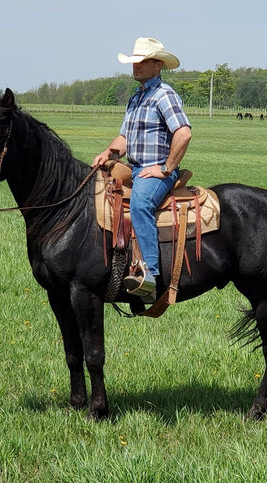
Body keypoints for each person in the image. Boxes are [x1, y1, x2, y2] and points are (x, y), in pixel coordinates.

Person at [92, 37, 192, 301]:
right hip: (134, 168)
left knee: (140, 203)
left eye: (143, 61)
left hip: (154, 171)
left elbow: (183, 134)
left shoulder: (164, 95)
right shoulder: (136, 98)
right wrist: (108, 153)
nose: (136, 66)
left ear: (158, 66)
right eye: (134, 61)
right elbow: (124, 138)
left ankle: (149, 275)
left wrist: (166, 169)